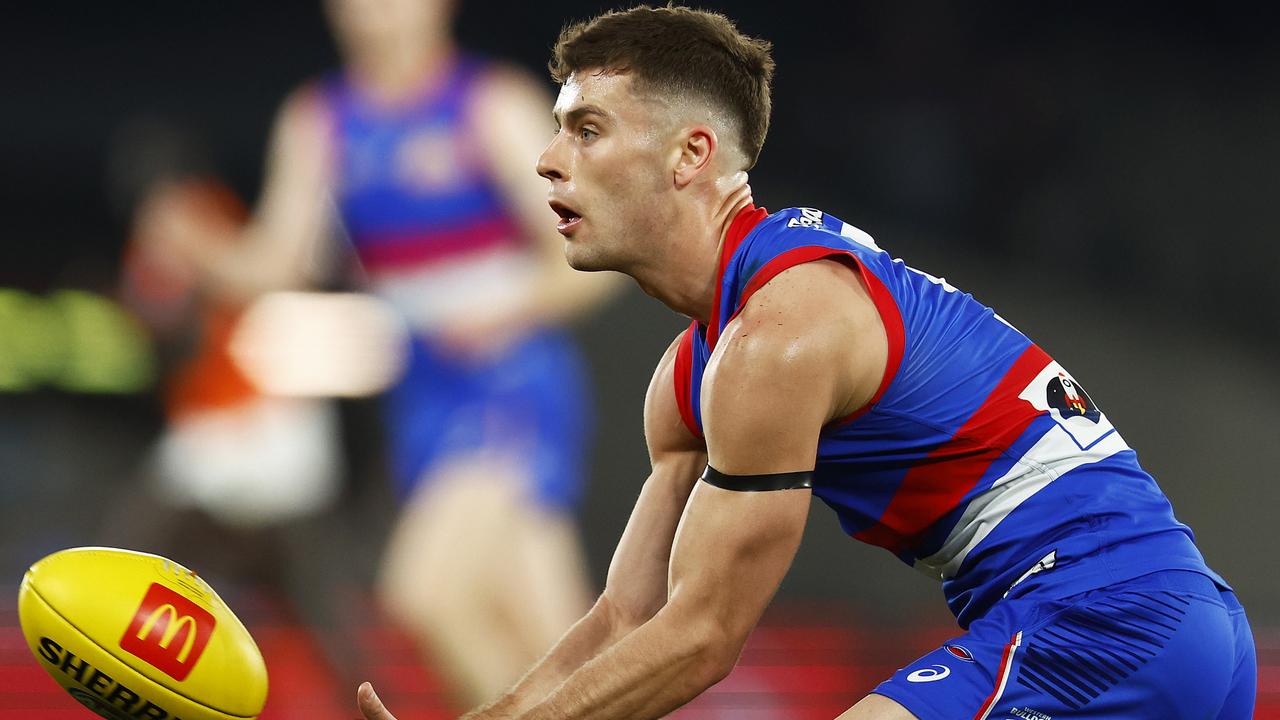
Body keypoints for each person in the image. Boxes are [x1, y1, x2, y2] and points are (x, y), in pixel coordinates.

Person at [345, 6, 1258, 720]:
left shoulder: (777, 336)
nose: (547, 161)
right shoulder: (694, 373)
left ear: (690, 155)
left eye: (585, 130)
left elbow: (703, 639)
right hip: (1169, 625)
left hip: (1099, 616)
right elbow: (628, 618)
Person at [142, 0, 618, 707]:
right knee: (556, 636)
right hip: (421, 398)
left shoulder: (489, 105)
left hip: (506, 384)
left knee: (424, 594)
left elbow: (592, 249)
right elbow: (278, 263)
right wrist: (200, 247)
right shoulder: (321, 120)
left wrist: (502, 311)